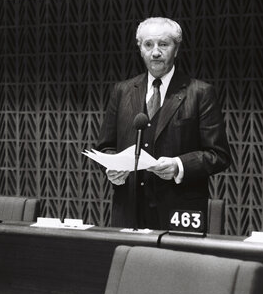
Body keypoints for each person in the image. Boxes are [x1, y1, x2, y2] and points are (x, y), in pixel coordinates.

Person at [96, 17, 231, 230]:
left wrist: (179, 165)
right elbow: (106, 146)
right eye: (148, 45)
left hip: (179, 211)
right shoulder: (122, 91)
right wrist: (113, 169)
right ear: (140, 49)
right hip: (128, 211)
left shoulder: (200, 93)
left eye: (163, 45)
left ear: (176, 49)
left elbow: (219, 155)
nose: (155, 52)